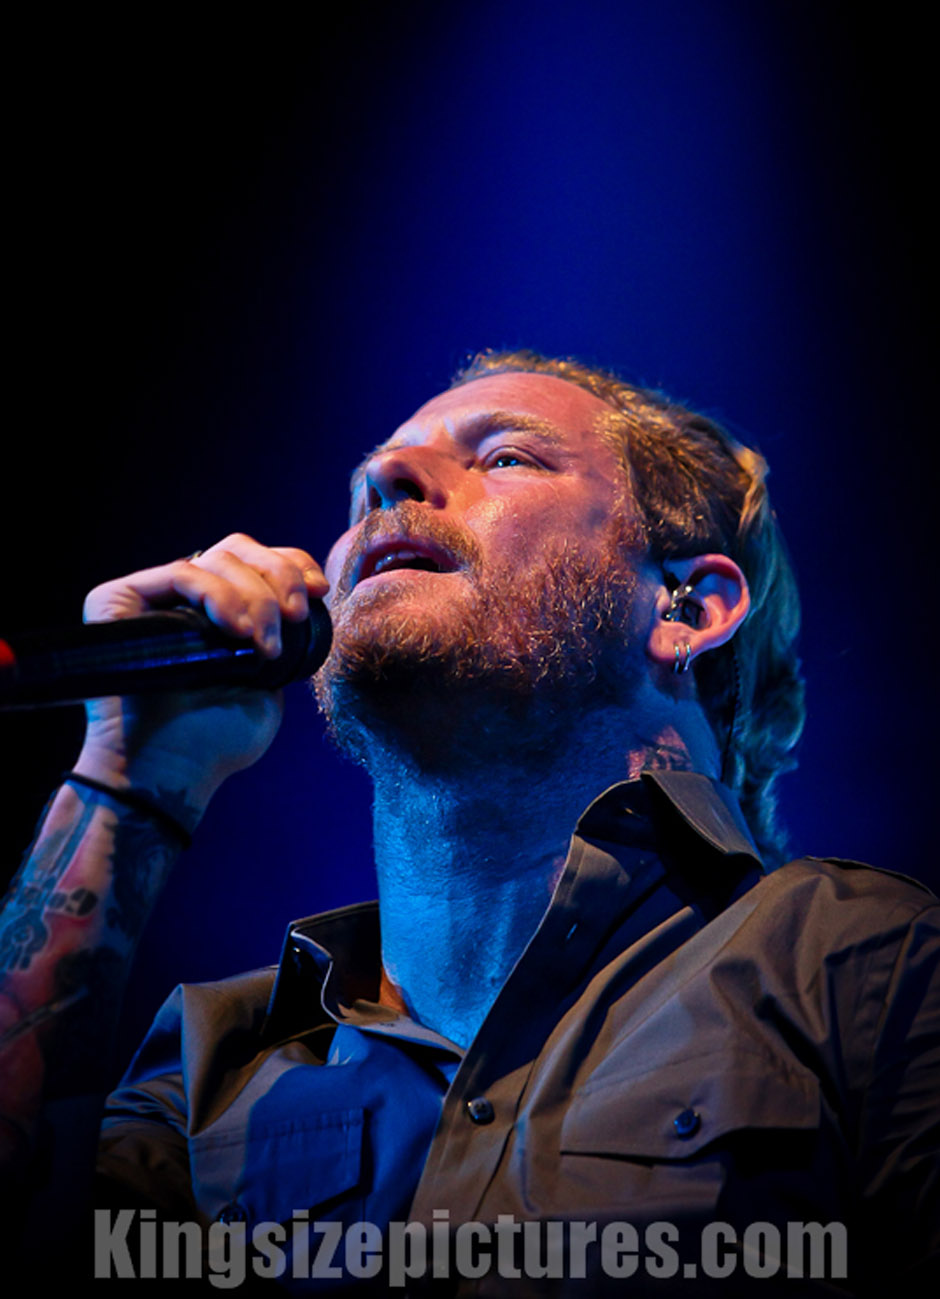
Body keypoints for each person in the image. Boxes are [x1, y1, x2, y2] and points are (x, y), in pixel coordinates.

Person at [0, 350, 937, 1293]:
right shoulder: (213, 1063)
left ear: (687, 605)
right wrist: (131, 774)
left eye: (505, 457)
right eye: (370, 482)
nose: (387, 475)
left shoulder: (865, 963)